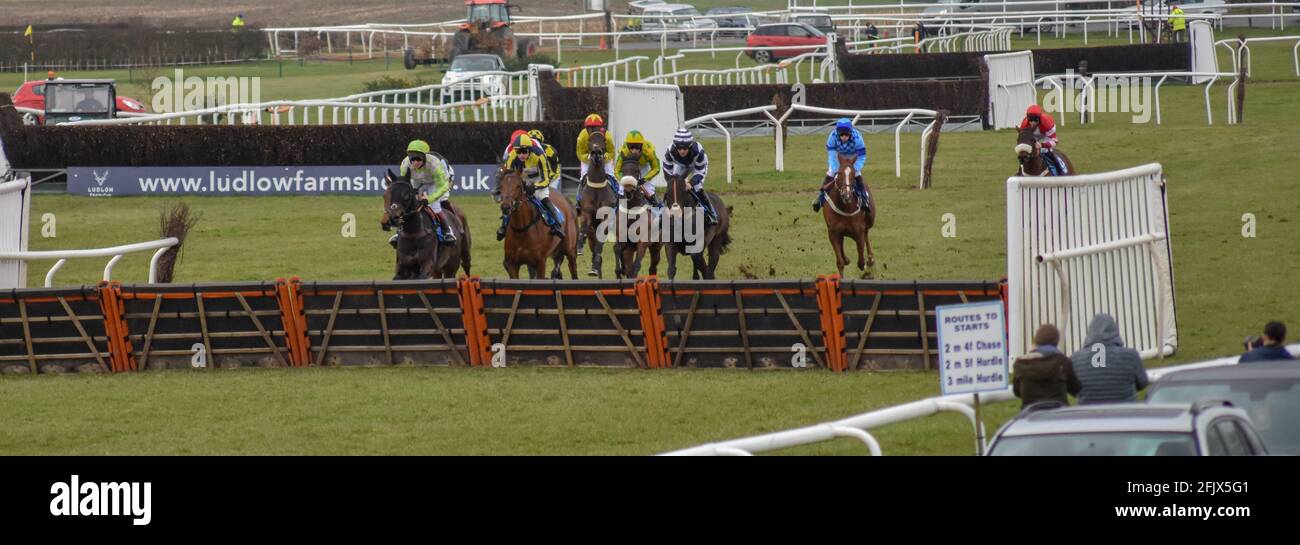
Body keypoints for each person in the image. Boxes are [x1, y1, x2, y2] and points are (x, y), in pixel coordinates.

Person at [1069, 314, 1149, 404]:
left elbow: (1073, 390)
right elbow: (1143, 383)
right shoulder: (1131, 355)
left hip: (1088, 413)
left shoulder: (1075, 359)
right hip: (1125, 412)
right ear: (1115, 331)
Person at [390, 139, 455, 247]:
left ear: (425, 157)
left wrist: (428, 199)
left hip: (439, 182)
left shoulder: (435, 165)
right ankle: (399, 232)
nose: (415, 162)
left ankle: (448, 232)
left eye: (418, 159)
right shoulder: (405, 164)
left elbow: (443, 186)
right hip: (419, 180)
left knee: (435, 205)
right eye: (412, 159)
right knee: (408, 204)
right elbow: (405, 184)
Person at [499, 133, 563, 240]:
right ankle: (503, 226)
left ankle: (557, 225)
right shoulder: (512, 156)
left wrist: (535, 186)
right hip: (523, 177)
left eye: (524, 151)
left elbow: (546, 179)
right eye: (519, 152)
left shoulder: (539, 156)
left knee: (543, 197)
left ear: (530, 149)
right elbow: (508, 175)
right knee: (509, 200)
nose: (521, 155)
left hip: (539, 178)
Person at [1013, 324, 1082, 409]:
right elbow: (1075, 389)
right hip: (1059, 414)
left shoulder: (1020, 363)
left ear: (1036, 340)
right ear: (1056, 341)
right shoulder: (1063, 362)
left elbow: (1017, 392)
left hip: (1031, 415)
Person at [813, 118, 870, 214]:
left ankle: (864, 200)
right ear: (838, 133)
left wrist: (854, 168)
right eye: (841, 135)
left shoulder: (857, 138)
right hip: (838, 157)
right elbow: (831, 154)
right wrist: (836, 168)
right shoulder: (832, 136)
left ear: (850, 133)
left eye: (846, 135)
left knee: (857, 176)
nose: (844, 137)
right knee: (830, 174)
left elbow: (861, 156)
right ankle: (820, 199)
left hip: (853, 157)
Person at [662, 128, 717, 225]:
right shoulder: (670, 151)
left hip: (698, 166)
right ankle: (665, 211)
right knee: (674, 188)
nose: (682, 151)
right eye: (679, 148)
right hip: (682, 166)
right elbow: (666, 169)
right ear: (675, 146)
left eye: (685, 148)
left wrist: (691, 183)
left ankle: (711, 213)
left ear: (690, 146)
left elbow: (700, 172)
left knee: (697, 187)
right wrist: (672, 183)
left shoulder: (698, 151)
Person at [613, 129, 662, 207]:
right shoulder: (624, 151)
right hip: (629, 167)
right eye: (631, 147)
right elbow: (616, 170)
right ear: (627, 146)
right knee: (621, 190)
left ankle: (657, 207)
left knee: (649, 189)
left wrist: (645, 179)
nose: (634, 150)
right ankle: (615, 209)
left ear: (642, 145)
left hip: (643, 166)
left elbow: (656, 168)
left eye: (637, 147)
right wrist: (623, 179)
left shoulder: (649, 151)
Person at [1020, 104, 1067, 176]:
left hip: (1045, 134)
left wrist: (1042, 145)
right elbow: (1024, 141)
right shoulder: (1024, 124)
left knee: (1046, 151)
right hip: (1032, 135)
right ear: (1027, 118)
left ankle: (1060, 170)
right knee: (1026, 152)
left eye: (1035, 120)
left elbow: (1055, 141)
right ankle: (1020, 171)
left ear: (1039, 118)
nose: (1033, 123)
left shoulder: (1047, 123)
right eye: (1030, 120)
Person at [575, 113, 616, 186]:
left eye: (595, 128)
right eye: (589, 128)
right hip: (588, 158)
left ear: (600, 128)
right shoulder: (581, 137)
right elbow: (580, 153)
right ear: (586, 128)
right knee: (583, 175)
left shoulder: (608, 136)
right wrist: (588, 157)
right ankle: (579, 195)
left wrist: (605, 156)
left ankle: (617, 193)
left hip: (604, 157)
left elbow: (612, 152)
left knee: (610, 174)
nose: (591, 130)